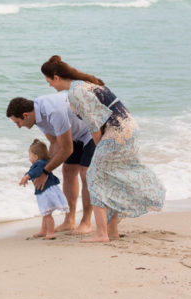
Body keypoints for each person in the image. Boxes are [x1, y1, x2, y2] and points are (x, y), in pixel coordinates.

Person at [40, 55, 166, 243]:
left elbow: (93, 123)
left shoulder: (76, 92)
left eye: (49, 81)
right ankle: (111, 230)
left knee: (94, 177)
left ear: (56, 78)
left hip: (115, 134)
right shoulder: (87, 83)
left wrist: (99, 146)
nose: (49, 85)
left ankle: (102, 234)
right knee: (108, 177)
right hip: (129, 129)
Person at [6, 92, 96, 234]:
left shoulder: (53, 111)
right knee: (68, 171)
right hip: (73, 134)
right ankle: (69, 221)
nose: (18, 126)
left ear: (25, 115)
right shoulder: (37, 117)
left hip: (91, 131)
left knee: (85, 174)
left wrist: (46, 171)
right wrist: (42, 169)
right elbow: (55, 143)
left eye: (17, 122)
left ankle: (86, 222)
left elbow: (66, 149)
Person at [19, 139, 69, 240]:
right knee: (45, 213)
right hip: (47, 190)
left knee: (47, 215)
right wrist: (27, 176)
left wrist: (27, 176)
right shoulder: (42, 163)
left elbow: (36, 171)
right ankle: (43, 231)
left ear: (36, 156)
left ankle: (50, 233)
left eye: (30, 156)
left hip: (46, 191)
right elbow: (32, 171)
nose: (29, 158)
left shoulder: (40, 163)